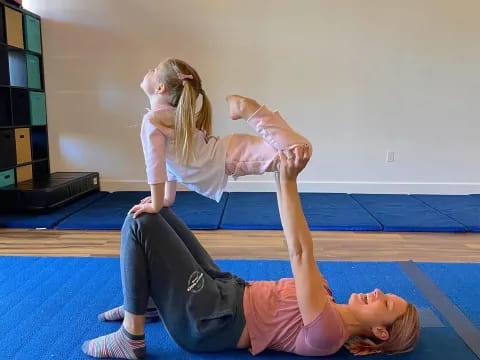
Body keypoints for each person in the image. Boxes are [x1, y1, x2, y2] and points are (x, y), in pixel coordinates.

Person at [82, 146, 420, 359]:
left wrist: (288, 181)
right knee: (158, 211)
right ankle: (146, 303)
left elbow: (300, 252)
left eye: (386, 302)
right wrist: (277, 165)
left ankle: (131, 337)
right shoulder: (326, 296)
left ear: (380, 332)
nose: (378, 291)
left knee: (140, 223)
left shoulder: (328, 334)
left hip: (209, 321)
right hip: (224, 288)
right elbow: (304, 258)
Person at [128, 58, 311, 218]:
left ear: (161, 87)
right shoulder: (172, 117)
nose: (149, 71)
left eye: (154, 70)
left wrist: (157, 204)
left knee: (298, 150)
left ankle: (245, 108)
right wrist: (166, 198)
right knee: (297, 150)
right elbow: (169, 163)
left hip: (230, 155)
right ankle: (246, 109)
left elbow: (155, 165)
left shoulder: (154, 121)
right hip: (229, 151)